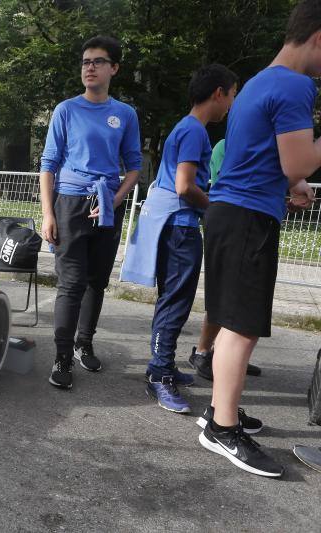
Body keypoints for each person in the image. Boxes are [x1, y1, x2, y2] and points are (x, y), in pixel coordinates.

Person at [199, 0, 320, 478]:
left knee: (233, 319)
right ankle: (222, 429)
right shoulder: (296, 84)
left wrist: (290, 186)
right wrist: (296, 176)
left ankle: (218, 411)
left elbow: (264, 160)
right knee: (243, 325)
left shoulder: (257, 82)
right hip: (246, 217)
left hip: (233, 211)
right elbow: (298, 162)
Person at [120, 64, 238, 413]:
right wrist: (213, 206)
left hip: (173, 225)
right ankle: (159, 374)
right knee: (174, 304)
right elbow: (185, 186)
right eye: (231, 95)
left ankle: (164, 364)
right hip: (180, 228)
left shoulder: (185, 128)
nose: (231, 104)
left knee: (171, 301)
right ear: (218, 93)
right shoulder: (195, 132)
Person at [39, 35, 142, 390]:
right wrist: (48, 213)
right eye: (85, 62)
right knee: (70, 284)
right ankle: (62, 356)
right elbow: (48, 163)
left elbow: (133, 167)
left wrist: (115, 200)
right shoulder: (66, 110)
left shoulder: (125, 114)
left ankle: (85, 342)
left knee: (97, 281)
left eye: (98, 61)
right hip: (69, 202)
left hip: (107, 205)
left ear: (114, 68)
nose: (90, 68)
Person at [188, 140, 262, 381]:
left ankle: (228, 353)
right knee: (223, 292)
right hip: (231, 217)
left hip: (249, 219)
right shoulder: (226, 145)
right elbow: (230, 181)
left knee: (240, 294)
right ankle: (202, 351)